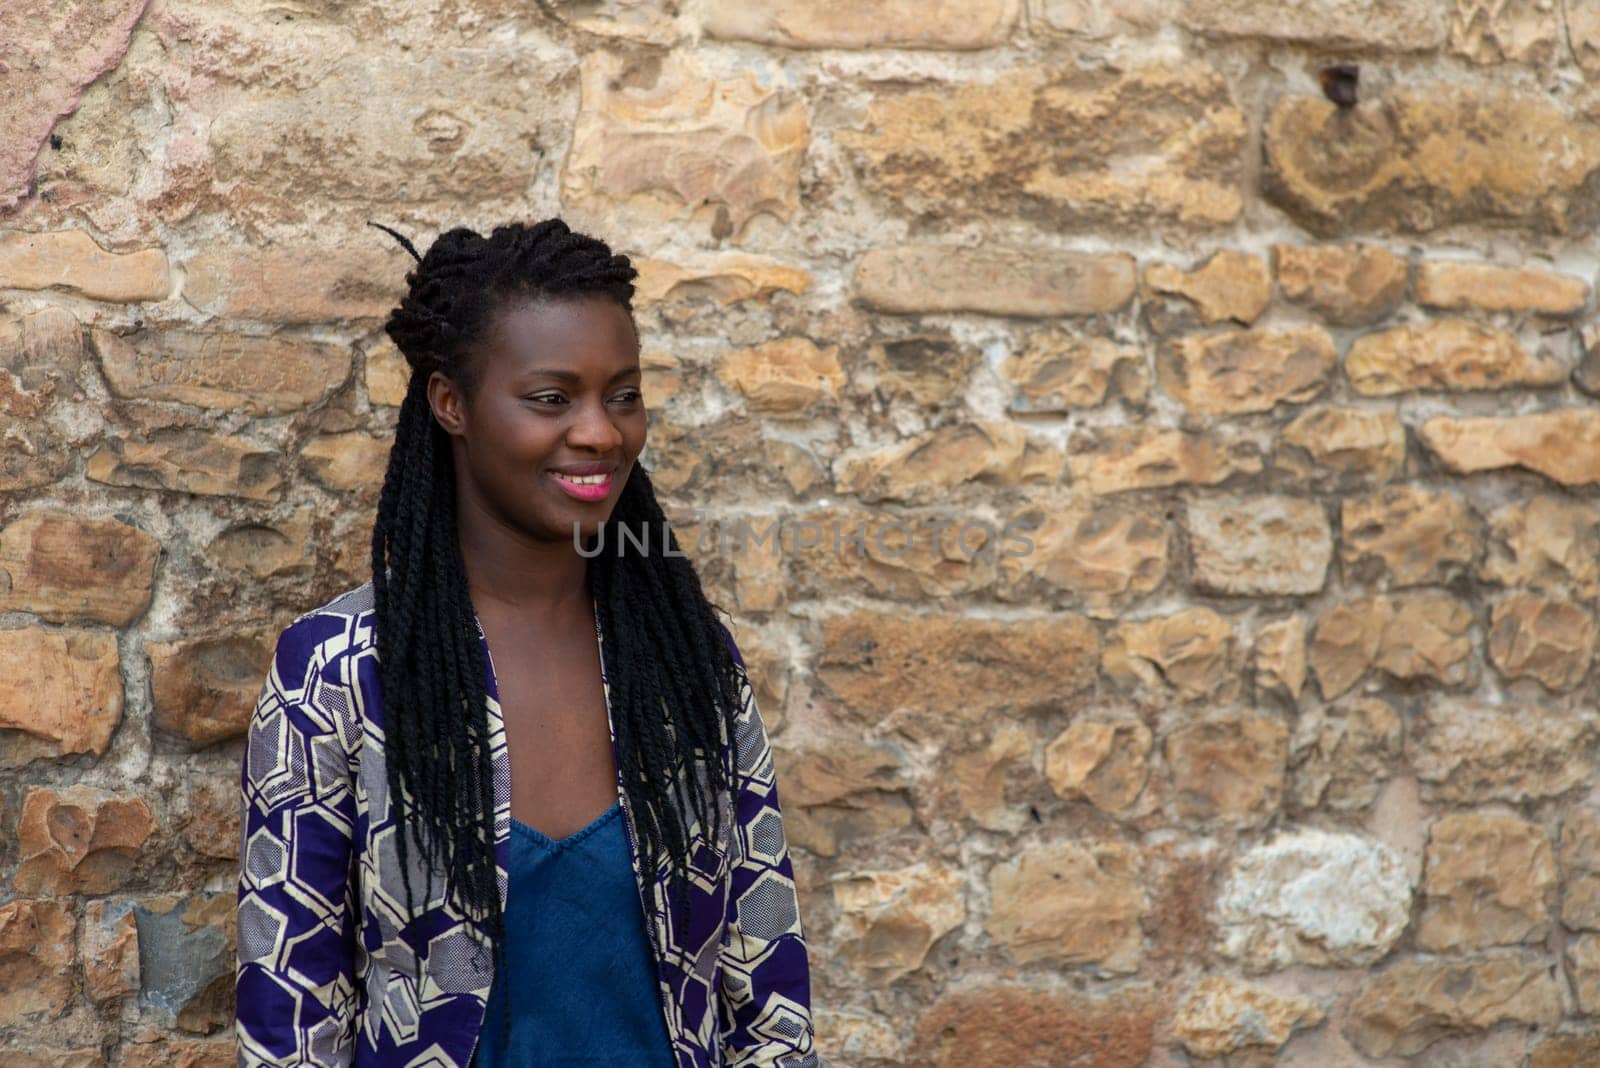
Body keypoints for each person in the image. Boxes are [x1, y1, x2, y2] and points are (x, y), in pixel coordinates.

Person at [234, 219, 819, 1067]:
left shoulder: (688, 660)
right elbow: (290, 1014)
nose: (600, 432)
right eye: (552, 398)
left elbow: (767, 989)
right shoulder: (339, 671)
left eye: (623, 395)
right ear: (451, 403)